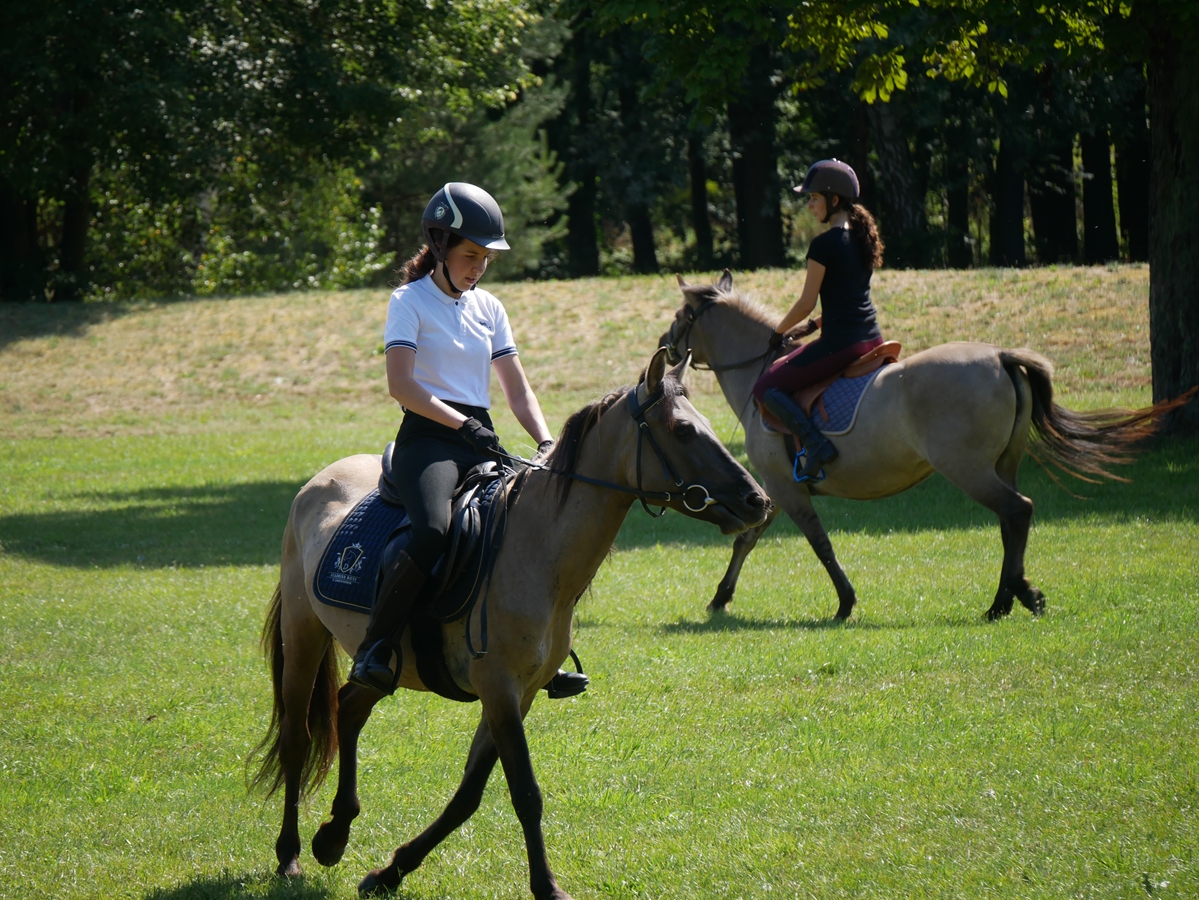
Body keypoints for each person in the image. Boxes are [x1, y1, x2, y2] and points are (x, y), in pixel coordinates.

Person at [349, 182, 578, 696]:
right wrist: (463, 425)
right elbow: (401, 385)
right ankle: (377, 646)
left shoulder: (490, 308)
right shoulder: (408, 301)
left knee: (531, 526)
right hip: (428, 442)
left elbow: (517, 390)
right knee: (433, 529)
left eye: (486, 258)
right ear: (439, 244)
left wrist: (545, 442)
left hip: (481, 440)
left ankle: (541, 649)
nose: (478, 267)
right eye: (470, 254)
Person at [751, 159, 886, 481]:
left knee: (766, 386)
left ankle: (815, 446)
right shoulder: (861, 237)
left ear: (834, 200)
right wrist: (811, 327)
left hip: (842, 344)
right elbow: (847, 299)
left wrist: (778, 331)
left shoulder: (824, 245)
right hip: (872, 337)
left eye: (813, 198)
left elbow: (805, 302)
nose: (809, 206)